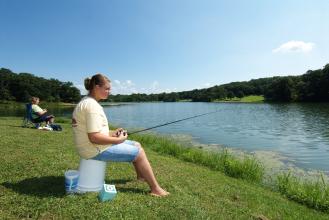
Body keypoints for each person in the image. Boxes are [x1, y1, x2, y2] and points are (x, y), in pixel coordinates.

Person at [72, 73, 169, 197]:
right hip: (93, 149)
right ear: (96, 87)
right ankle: (155, 189)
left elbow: (96, 131)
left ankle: (141, 177)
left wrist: (113, 133)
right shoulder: (91, 106)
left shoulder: (87, 102)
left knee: (137, 144)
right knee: (139, 153)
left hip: (90, 146)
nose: (109, 92)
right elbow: (94, 138)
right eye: (106, 89)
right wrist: (118, 140)